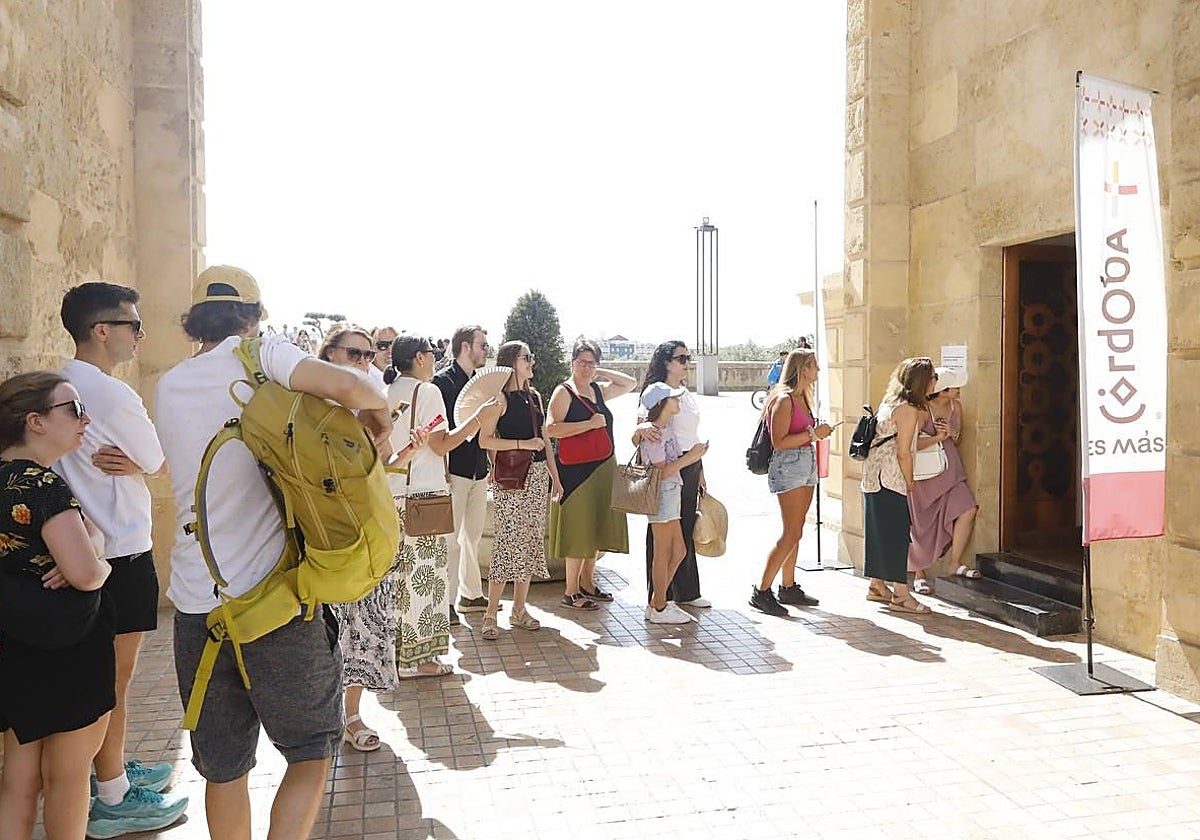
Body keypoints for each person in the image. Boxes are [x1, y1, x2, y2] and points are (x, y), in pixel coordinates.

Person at [155, 266, 392, 839]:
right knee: (311, 750)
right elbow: (357, 388)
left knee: (223, 766)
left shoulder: (168, 384)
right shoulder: (263, 355)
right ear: (254, 315)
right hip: (277, 601)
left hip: (196, 604)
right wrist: (377, 416)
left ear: (195, 321)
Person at [54, 283, 189, 837]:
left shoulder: (62, 383)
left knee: (104, 674)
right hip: (121, 550)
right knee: (116, 678)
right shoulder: (112, 395)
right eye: (133, 324)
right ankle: (111, 795)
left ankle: (108, 770)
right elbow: (159, 458)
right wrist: (142, 463)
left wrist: (138, 463)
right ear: (101, 329)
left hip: (90, 546)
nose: (140, 334)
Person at [0, 373, 116, 840]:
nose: (85, 420)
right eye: (73, 409)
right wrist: (101, 563)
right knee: (68, 776)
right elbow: (87, 570)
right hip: (70, 646)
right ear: (36, 422)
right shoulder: (43, 486)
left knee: (18, 778)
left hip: (14, 643)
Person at [318, 324, 429, 751]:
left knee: (364, 629)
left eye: (370, 354)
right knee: (329, 631)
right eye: (355, 353)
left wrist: (407, 451)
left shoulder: (370, 407)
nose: (365, 361)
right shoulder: (310, 409)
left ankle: (351, 714)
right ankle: (325, 717)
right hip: (327, 536)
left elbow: (380, 468)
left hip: (369, 534)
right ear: (328, 355)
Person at [385, 335, 496, 677]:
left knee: (399, 578)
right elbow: (442, 444)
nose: (436, 360)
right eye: (431, 355)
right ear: (419, 358)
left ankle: (397, 655)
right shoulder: (428, 392)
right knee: (425, 578)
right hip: (424, 495)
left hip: (392, 494)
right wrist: (478, 418)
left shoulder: (387, 392)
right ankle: (418, 660)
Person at [546, 339, 637, 610]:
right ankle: (571, 591)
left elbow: (629, 383)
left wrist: (602, 372)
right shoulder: (563, 392)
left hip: (603, 466)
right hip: (576, 471)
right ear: (571, 362)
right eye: (581, 362)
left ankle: (588, 583)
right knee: (579, 529)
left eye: (591, 362)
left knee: (596, 528)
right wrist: (588, 425)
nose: (585, 368)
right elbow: (551, 429)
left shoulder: (597, 390)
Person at [476, 341, 558, 640]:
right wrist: (522, 445)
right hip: (511, 477)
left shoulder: (535, 396)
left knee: (530, 538)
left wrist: (556, 479)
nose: (532, 362)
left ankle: (519, 610)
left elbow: (546, 441)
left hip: (536, 475)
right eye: (527, 357)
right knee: (508, 540)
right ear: (512, 362)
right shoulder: (499, 399)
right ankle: (490, 612)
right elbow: (485, 440)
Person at [749, 349, 832, 616]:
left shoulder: (802, 397)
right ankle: (761, 591)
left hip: (805, 462)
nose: (818, 370)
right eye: (814, 365)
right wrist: (813, 433)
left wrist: (815, 435)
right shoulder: (783, 399)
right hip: (789, 465)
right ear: (803, 368)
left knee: (797, 529)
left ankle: (788, 586)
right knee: (791, 532)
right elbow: (780, 442)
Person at [632, 341, 710, 609]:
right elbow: (640, 432)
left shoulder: (684, 394)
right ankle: (660, 597)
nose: (687, 362)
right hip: (667, 468)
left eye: (688, 357)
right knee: (661, 534)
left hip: (689, 464)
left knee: (685, 527)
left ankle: (687, 591)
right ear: (666, 362)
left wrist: (700, 470)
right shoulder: (657, 393)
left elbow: (692, 435)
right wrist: (641, 429)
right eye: (681, 358)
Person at [862, 357, 935, 614]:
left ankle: (877, 585)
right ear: (921, 381)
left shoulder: (890, 401)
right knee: (896, 535)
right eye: (932, 377)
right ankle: (901, 596)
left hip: (874, 477)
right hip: (890, 479)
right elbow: (904, 452)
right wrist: (910, 480)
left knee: (879, 532)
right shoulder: (907, 409)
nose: (935, 381)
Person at [432, 325, 493, 621]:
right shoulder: (441, 383)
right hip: (453, 470)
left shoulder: (480, 382)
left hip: (478, 469)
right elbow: (438, 434)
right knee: (451, 539)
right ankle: (446, 603)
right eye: (483, 345)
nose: (486, 351)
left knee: (473, 534)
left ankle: (471, 595)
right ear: (466, 347)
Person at [908, 367, 980, 594]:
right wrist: (937, 437)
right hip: (925, 476)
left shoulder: (955, 407)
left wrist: (950, 432)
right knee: (921, 525)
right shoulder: (921, 410)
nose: (959, 390)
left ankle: (954, 562)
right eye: (955, 386)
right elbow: (911, 444)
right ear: (943, 390)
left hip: (951, 470)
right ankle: (919, 572)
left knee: (968, 509)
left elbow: (957, 440)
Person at [370, 326, 399, 390]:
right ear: (371, 348)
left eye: (394, 345)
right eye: (383, 345)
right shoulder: (365, 378)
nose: (390, 351)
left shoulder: (402, 375)